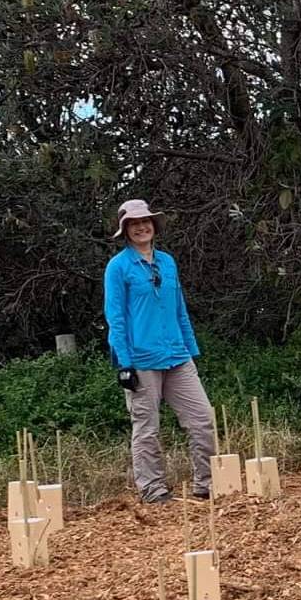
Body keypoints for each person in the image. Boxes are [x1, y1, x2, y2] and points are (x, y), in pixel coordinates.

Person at [102, 199, 218, 504]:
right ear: (125, 230)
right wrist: (124, 363)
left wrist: (191, 349)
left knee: (203, 418)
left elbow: (180, 309)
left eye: (146, 222)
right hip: (141, 360)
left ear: (154, 225)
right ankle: (154, 492)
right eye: (134, 224)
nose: (142, 227)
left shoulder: (167, 262)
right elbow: (115, 317)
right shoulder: (118, 267)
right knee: (147, 429)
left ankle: (206, 484)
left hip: (177, 355)